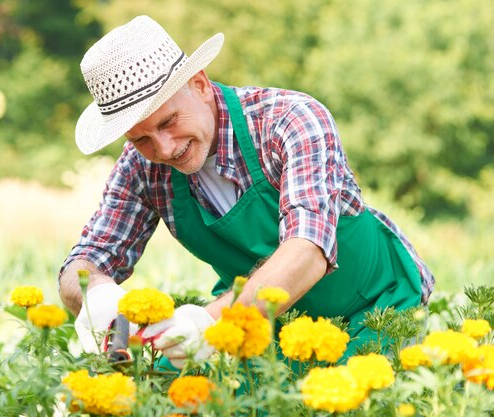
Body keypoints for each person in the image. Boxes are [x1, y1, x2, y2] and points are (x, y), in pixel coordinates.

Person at [58, 15, 435, 367]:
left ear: (200, 85)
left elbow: (308, 250)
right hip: (265, 325)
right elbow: (87, 259)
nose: (165, 148)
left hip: (375, 306)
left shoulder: (290, 120)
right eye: (141, 138)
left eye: (169, 122)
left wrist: (207, 321)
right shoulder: (141, 166)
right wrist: (97, 297)